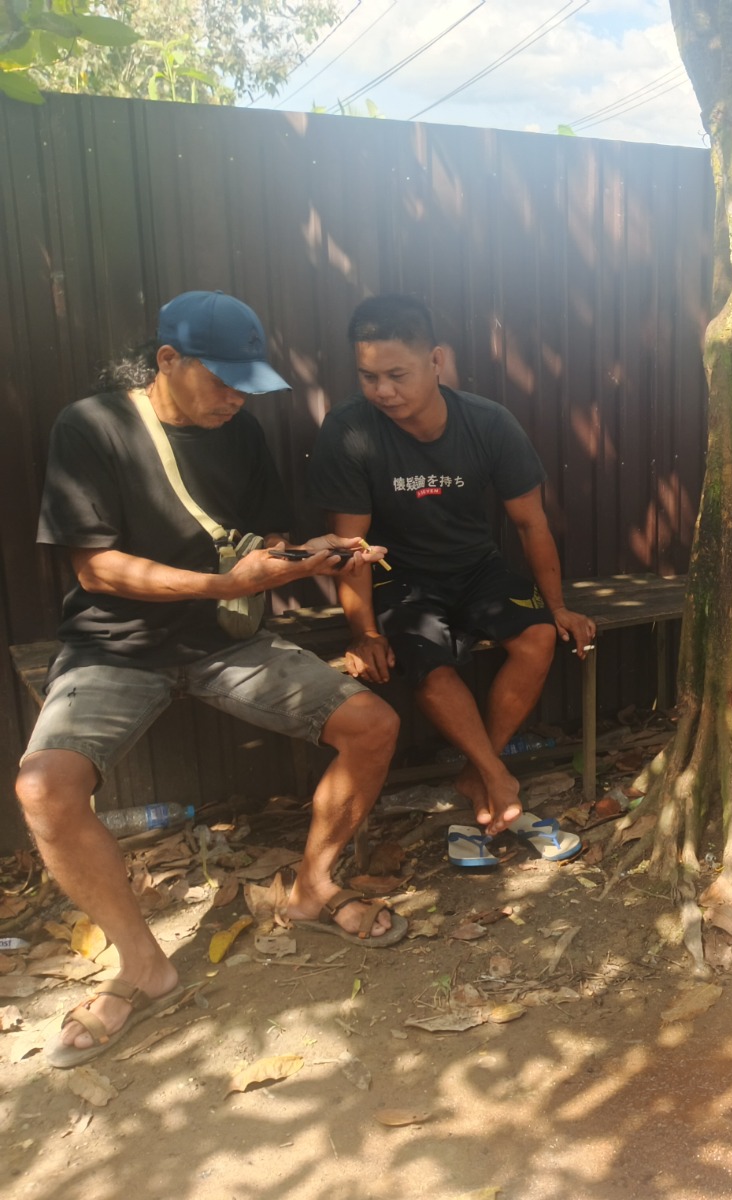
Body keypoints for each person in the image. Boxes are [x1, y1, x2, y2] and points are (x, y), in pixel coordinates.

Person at [16, 291, 402, 1070]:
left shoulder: (242, 433)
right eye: (223, 381)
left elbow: (264, 538)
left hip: (228, 642)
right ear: (168, 360)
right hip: (115, 647)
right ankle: (142, 965)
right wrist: (226, 585)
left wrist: (306, 557)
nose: (236, 399)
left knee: (374, 725)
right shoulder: (92, 427)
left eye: (246, 385)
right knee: (43, 789)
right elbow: (97, 568)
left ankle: (312, 887)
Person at [307, 295, 595, 850]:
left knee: (538, 636)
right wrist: (364, 632)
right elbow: (351, 548)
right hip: (398, 577)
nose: (382, 391)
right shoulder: (349, 430)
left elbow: (531, 524)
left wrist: (557, 606)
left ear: (436, 360)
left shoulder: (488, 423)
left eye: (397, 375)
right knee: (428, 663)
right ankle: (495, 775)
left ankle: (478, 772)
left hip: (476, 566)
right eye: (368, 377)